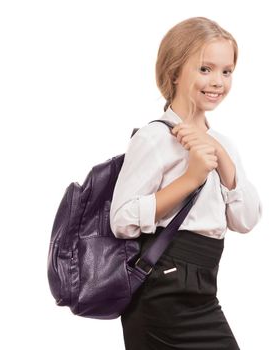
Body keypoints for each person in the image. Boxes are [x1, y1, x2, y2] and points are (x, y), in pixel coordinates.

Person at [109, 16, 263, 350]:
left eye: (227, 71)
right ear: (175, 71)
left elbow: (246, 220)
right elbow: (121, 219)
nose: (218, 81)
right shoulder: (154, 139)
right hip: (162, 291)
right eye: (205, 69)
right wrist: (191, 178)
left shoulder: (223, 144)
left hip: (203, 290)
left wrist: (220, 156)